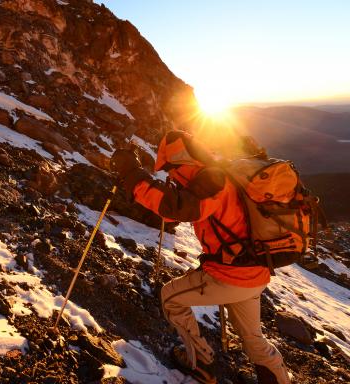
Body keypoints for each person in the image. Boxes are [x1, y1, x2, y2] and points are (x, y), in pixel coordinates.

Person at [110, 130, 291, 384]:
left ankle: (200, 363)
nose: (170, 175)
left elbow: (178, 208)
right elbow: (174, 213)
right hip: (255, 274)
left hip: (230, 276)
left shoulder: (212, 180)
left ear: (180, 161)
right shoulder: (216, 175)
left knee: (170, 298)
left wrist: (132, 175)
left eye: (171, 168)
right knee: (253, 337)